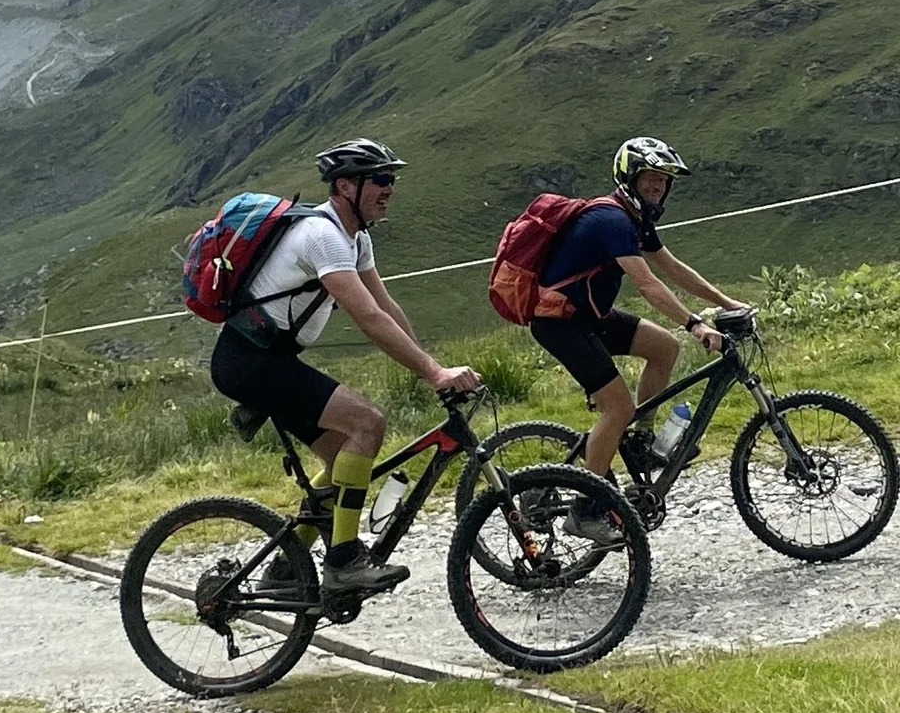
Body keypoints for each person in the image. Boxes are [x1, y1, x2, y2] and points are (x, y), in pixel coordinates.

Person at [210, 137, 480, 596]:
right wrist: (433, 373)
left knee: (343, 458)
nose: (389, 188)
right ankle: (344, 561)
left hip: (267, 360)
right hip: (249, 362)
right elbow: (368, 317)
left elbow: (386, 305)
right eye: (379, 179)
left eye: (391, 179)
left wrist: (434, 367)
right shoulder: (322, 236)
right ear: (344, 186)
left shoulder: (355, 239)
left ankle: (285, 570)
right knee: (367, 424)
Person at [530, 136, 747, 544]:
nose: (658, 188)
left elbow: (673, 268)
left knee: (664, 347)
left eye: (664, 182)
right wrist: (695, 324)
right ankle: (586, 510)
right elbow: (648, 284)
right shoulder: (610, 220)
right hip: (561, 322)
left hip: (589, 315)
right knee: (618, 406)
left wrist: (727, 302)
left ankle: (640, 440)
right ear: (629, 178)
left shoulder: (636, 220)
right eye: (651, 179)